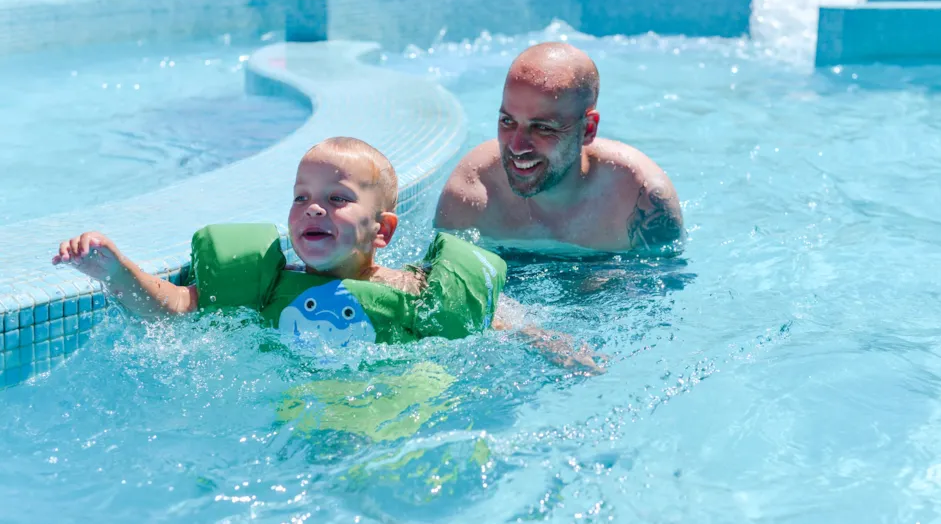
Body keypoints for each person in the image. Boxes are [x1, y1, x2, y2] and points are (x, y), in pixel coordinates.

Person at [54, 137, 603, 372]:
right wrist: (115, 270)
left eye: (337, 200)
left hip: (403, 388)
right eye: (301, 198)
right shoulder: (266, 284)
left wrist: (545, 340)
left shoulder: (412, 288)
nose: (313, 210)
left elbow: (496, 319)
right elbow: (173, 308)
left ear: (383, 231)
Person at [435, 42, 684, 256]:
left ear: (588, 129)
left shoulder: (641, 202)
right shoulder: (472, 194)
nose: (517, 146)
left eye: (542, 128)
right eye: (508, 122)